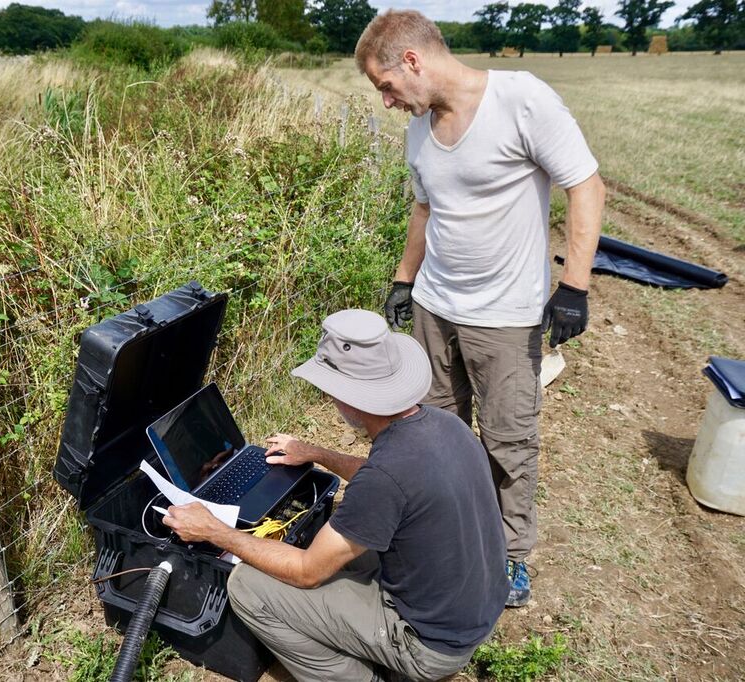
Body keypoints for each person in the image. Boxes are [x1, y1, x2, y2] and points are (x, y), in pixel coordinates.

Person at [356, 9, 606, 606]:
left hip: (505, 316)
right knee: (435, 431)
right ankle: (445, 533)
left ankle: (510, 555)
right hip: (435, 307)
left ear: (412, 61)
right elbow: (425, 207)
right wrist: (403, 278)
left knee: (508, 441)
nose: (387, 102)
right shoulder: (420, 126)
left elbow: (585, 185)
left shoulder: (521, 99)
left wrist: (573, 286)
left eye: (386, 86)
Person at [162, 309, 508, 682]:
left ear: (349, 398)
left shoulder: (385, 476)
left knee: (247, 585)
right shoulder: (445, 425)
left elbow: (308, 572)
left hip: (430, 644)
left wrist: (214, 531)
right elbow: (391, 482)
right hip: (474, 608)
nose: (328, 398)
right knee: (341, 543)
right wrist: (317, 454)